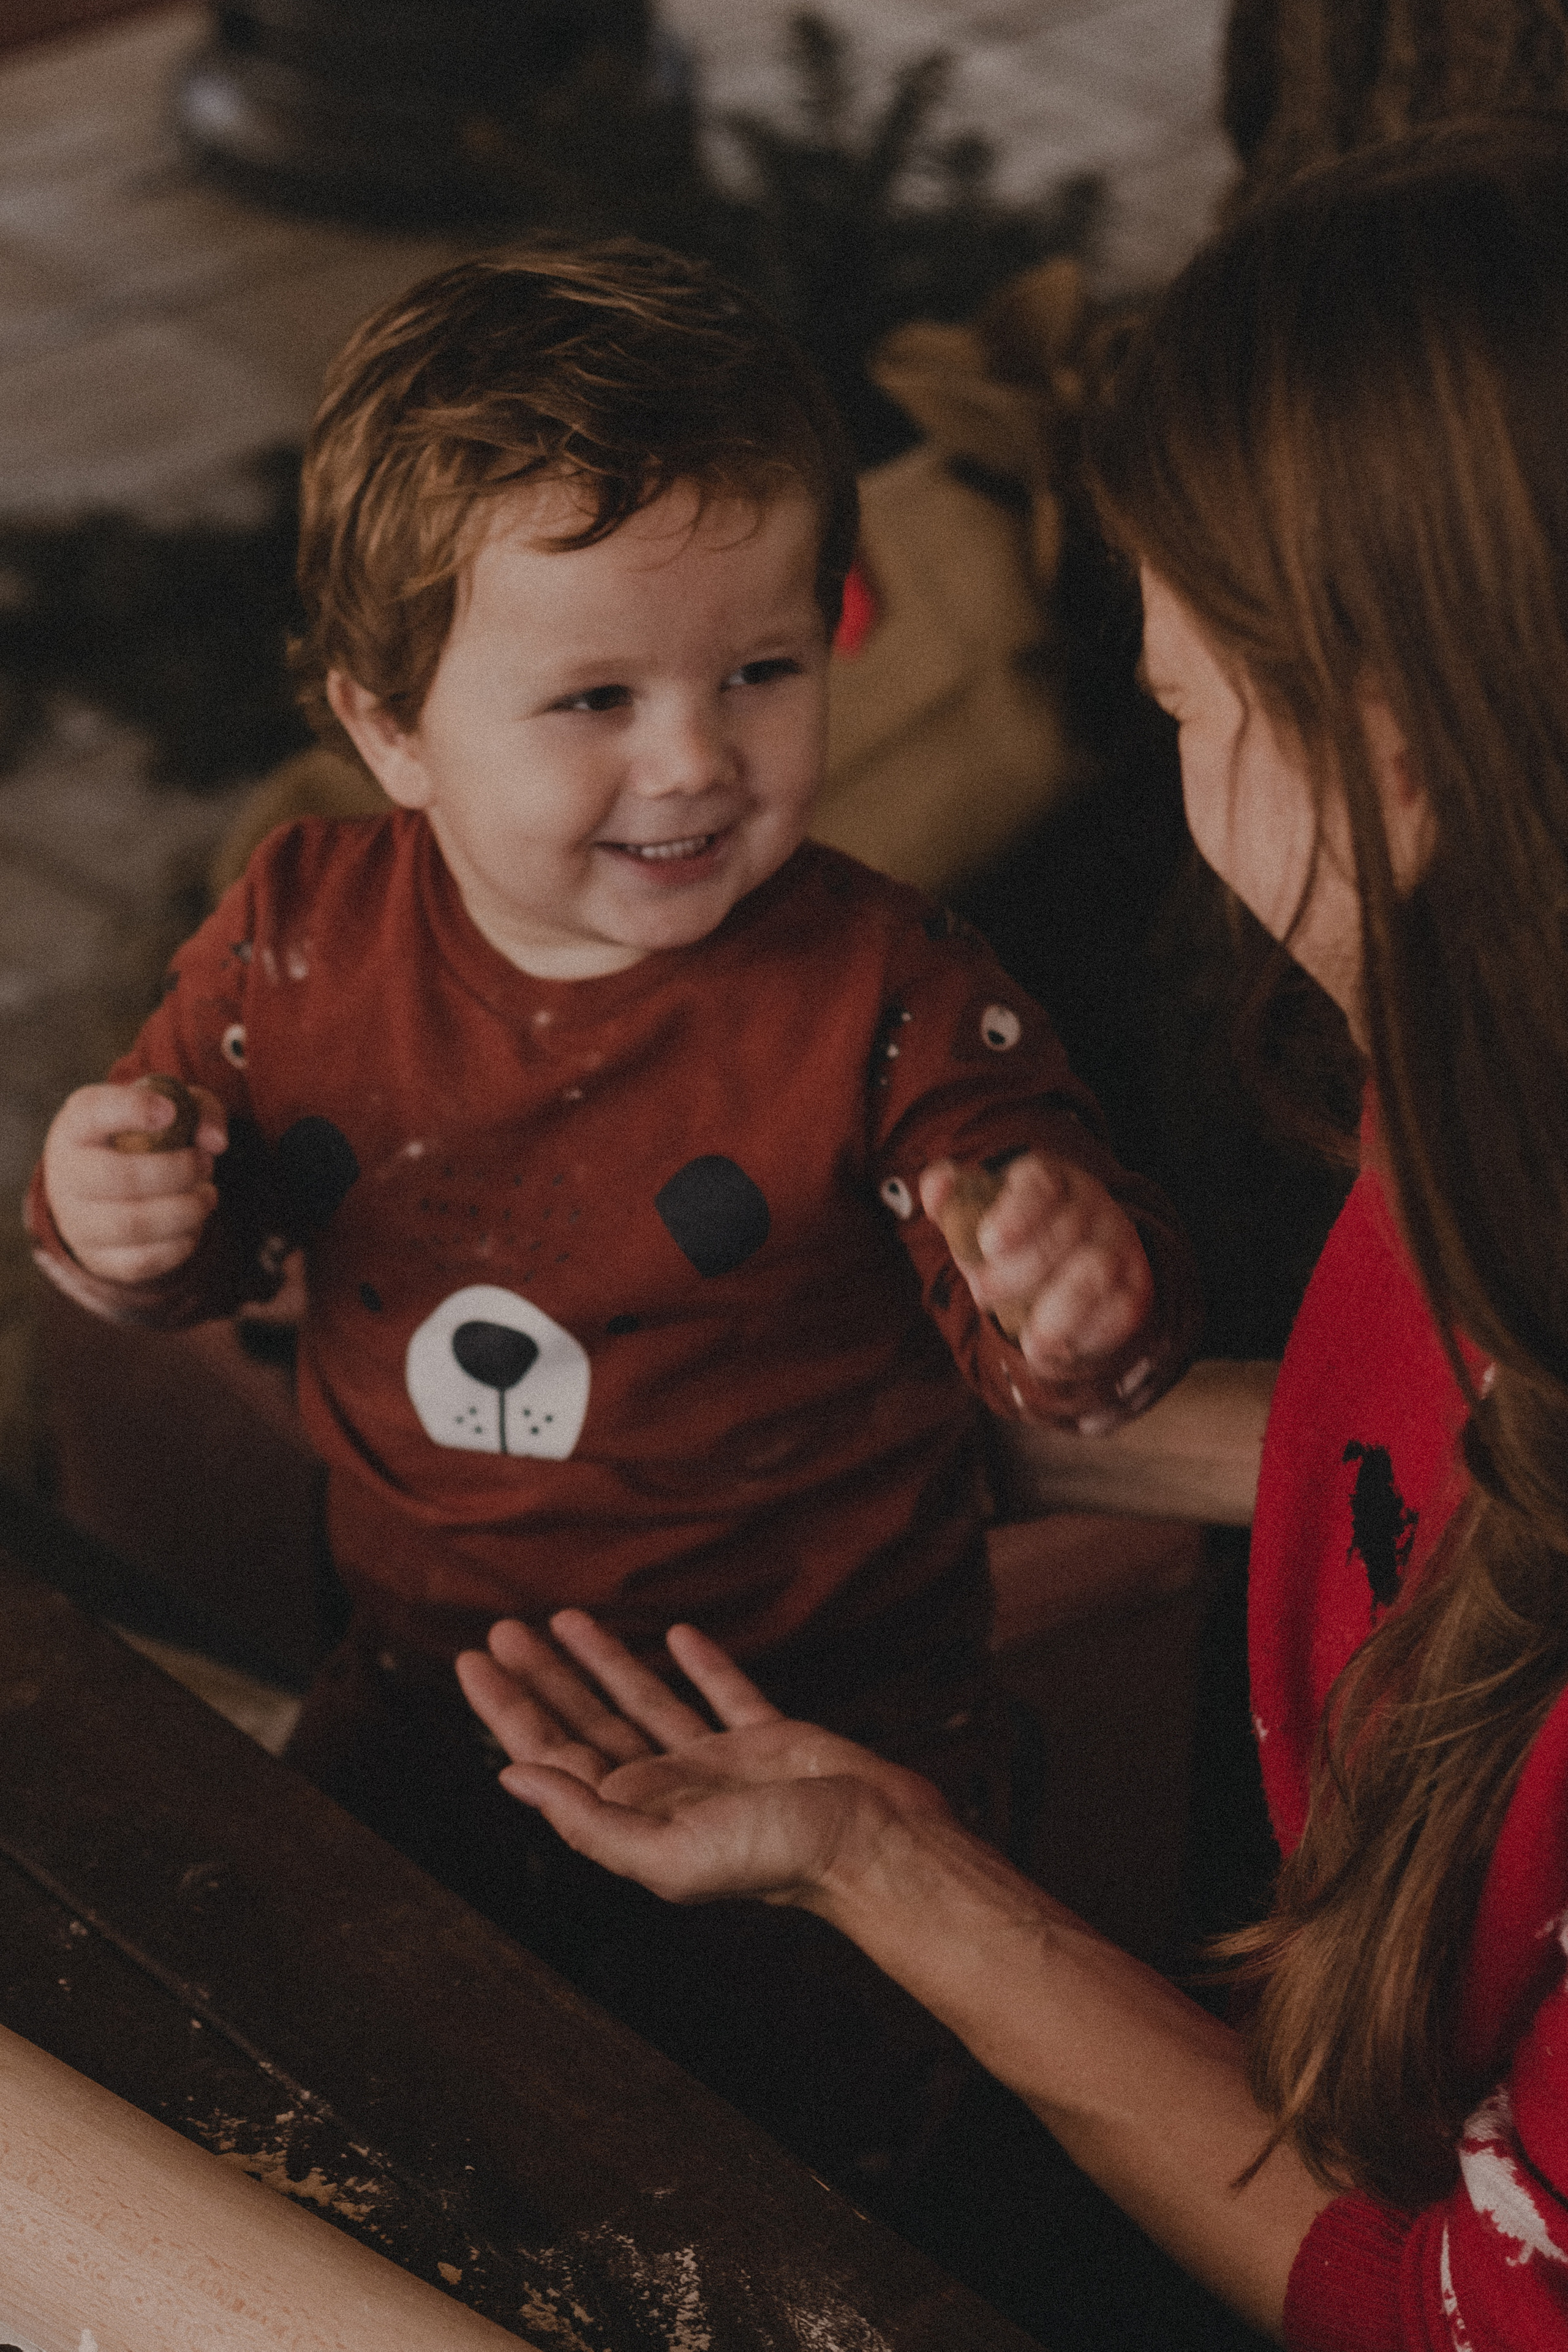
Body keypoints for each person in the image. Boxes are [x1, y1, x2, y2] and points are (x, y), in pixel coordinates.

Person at [456, 123, 1568, 2348]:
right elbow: (1459, 1461)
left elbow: (1444, 2305)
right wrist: (923, 1420)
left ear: (1393, 756)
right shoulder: (1499, 1083)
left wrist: (877, 1865)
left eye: (1181, 710)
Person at [27, 243, 1198, 2173]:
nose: (696, 758)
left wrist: (1077, 1294)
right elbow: (191, 1231)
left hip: (827, 1737)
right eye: (594, 696)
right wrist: (117, 1218)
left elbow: (1048, 1307)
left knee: (801, 2181)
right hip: (430, 1681)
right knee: (335, 2083)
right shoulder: (299, 941)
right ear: (392, 729)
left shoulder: (886, 989)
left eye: (762, 672)